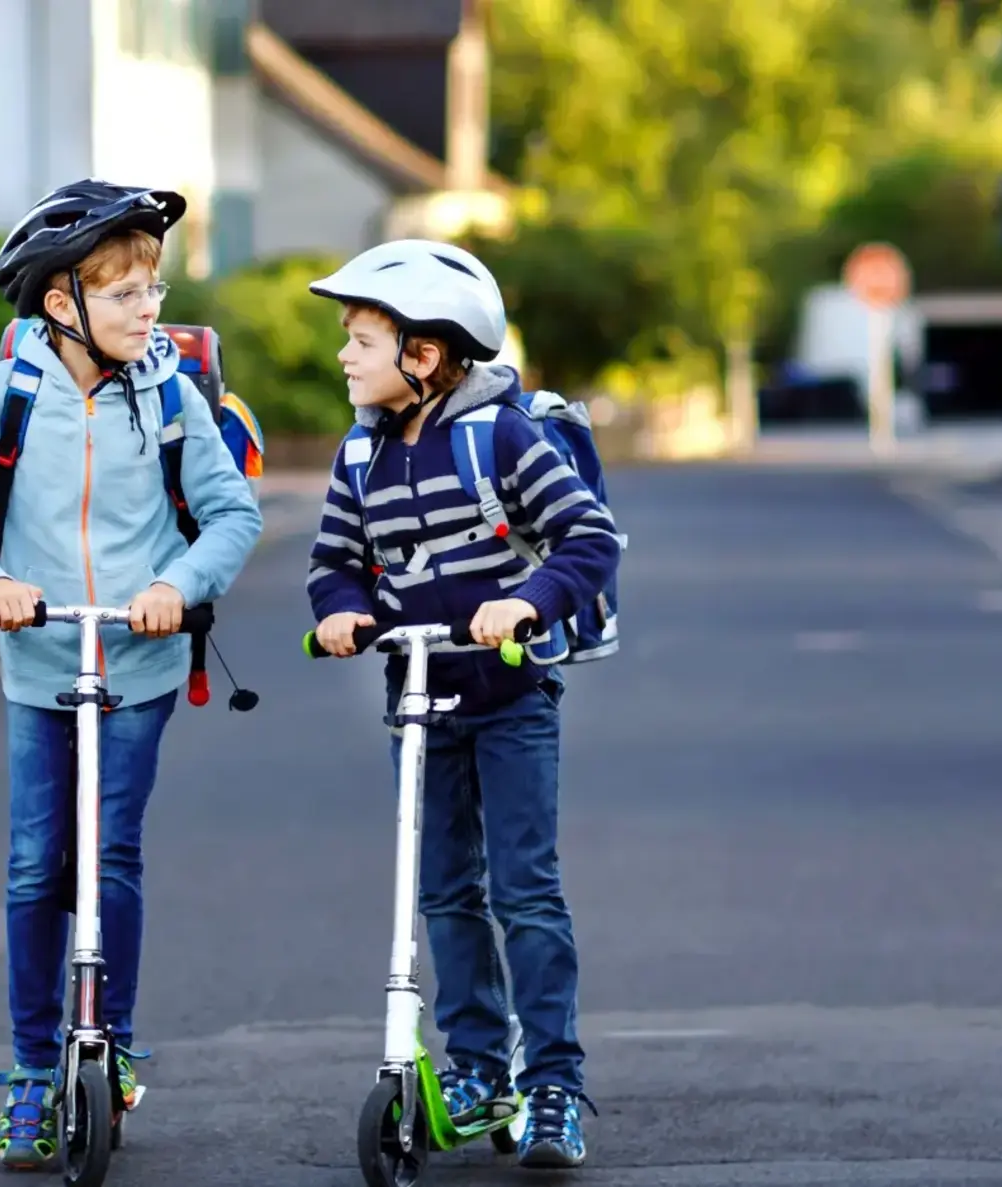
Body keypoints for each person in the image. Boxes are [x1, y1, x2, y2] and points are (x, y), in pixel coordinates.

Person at [0, 179, 263, 1170]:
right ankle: (34, 1067)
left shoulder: (168, 392)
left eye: (152, 288)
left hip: (139, 657)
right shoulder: (7, 393)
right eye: (123, 293)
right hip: (39, 657)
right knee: (37, 862)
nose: (147, 309)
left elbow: (232, 512)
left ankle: (103, 1044)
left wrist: (176, 581)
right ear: (61, 303)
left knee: (108, 852)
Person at [303, 240, 622, 1170]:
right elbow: (334, 563)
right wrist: (344, 613)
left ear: (427, 354)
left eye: (361, 338)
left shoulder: (500, 438)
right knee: (444, 893)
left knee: (525, 891)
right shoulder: (360, 454)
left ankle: (554, 1079)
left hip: (513, 698)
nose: (344, 356)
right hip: (420, 701)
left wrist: (527, 600)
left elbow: (587, 537)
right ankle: (479, 1066)